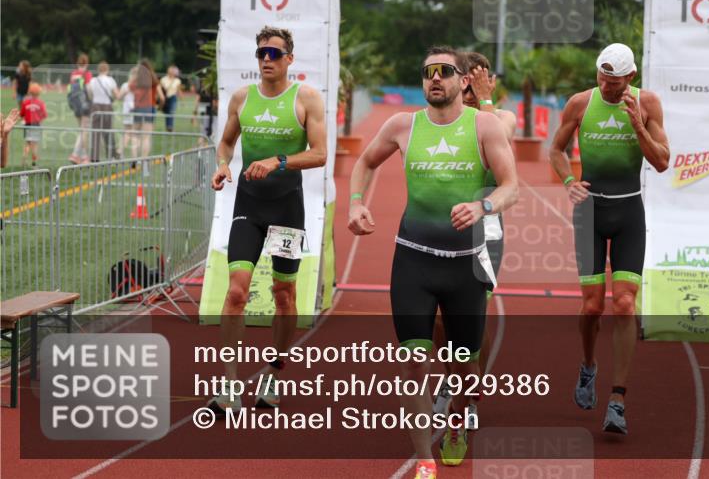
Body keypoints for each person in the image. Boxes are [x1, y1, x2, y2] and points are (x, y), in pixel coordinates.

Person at [348, 46, 517, 477]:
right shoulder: (402, 125)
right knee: (414, 362)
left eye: (444, 71)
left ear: (463, 80)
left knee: (465, 365)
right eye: (428, 73)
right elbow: (365, 162)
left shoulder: (485, 125)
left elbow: (511, 186)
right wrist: (355, 203)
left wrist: (483, 206)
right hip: (413, 260)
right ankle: (425, 459)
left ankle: (457, 421)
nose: (435, 78)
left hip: (466, 265)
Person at [549, 43, 670, 435]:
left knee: (625, 303)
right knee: (591, 306)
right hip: (590, 212)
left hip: (628, 211)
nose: (606, 86)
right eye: (602, 77)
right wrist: (569, 181)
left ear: (630, 77)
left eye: (614, 81)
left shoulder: (646, 104)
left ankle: (617, 398)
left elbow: (662, 161)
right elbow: (556, 150)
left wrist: (638, 126)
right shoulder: (581, 103)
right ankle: (588, 365)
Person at [207, 26, 327, 417]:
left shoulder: (306, 98)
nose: (267, 60)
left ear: (290, 59)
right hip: (248, 206)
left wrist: (278, 161)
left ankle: (274, 375)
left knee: (283, 294)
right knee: (236, 292)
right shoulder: (242, 98)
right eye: (261, 53)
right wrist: (223, 164)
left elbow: (320, 154)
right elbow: (226, 142)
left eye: (274, 53)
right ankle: (229, 384)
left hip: (287, 210)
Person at [431, 51, 517, 418]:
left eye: (475, 86)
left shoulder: (502, 117)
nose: (468, 94)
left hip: (486, 228)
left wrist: (485, 100)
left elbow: (500, 137)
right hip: (442, 226)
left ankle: (469, 387)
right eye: (465, 84)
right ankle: (453, 377)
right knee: (438, 317)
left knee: (471, 315)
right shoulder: (444, 118)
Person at [129, 60, 165, 159]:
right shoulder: (154, 80)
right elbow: (162, 98)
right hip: (150, 108)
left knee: (135, 135)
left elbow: (129, 87)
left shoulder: (137, 80)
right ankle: (144, 159)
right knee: (146, 137)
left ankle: (134, 158)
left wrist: (134, 74)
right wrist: (160, 106)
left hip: (138, 108)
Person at [88, 61, 120, 161]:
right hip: (107, 106)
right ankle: (111, 155)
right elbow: (117, 94)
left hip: (95, 106)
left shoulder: (93, 80)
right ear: (107, 69)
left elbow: (90, 93)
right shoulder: (110, 80)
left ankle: (94, 157)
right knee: (108, 131)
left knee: (95, 132)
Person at [68, 54, 93, 164]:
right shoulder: (87, 74)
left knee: (81, 130)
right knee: (84, 131)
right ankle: (75, 154)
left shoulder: (73, 74)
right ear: (87, 63)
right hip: (85, 104)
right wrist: (92, 99)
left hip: (75, 104)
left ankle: (83, 156)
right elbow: (88, 88)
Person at [20, 83, 47, 167]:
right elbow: (44, 115)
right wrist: (39, 119)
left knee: (28, 143)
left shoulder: (25, 102)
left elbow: (21, 114)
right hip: (36, 125)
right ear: (39, 93)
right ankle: (34, 162)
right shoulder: (40, 103)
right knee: (35, 145)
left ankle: (24, 160)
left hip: (27, 125)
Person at [120, 68, 139, 159]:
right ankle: (133, 157)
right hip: (132, 110)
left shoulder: (125, 85)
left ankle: (120, 152)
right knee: (133, 134)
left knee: (128, 132)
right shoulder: (128, 85)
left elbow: (119, 97)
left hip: (128, 110)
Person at [160, 65, 183, 132]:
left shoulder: (177, 81)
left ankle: (170, 126)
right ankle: (168, 126)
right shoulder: (163, 79)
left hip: (173, 97)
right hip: (165, 98)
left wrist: (181, 99)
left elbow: (179, 90)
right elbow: (160, 89)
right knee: (167, 112)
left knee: (171, 112)